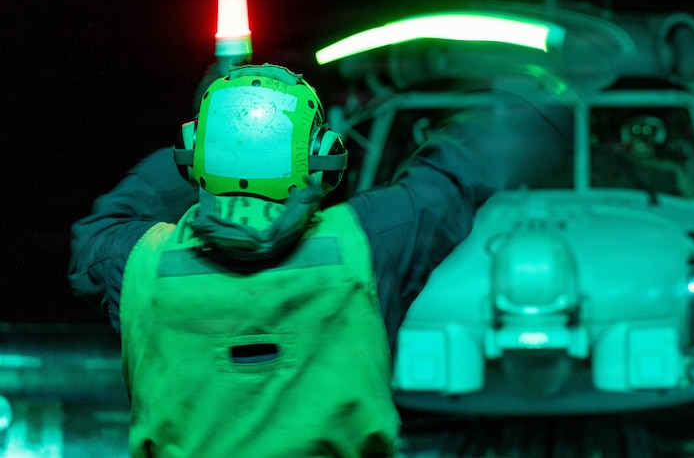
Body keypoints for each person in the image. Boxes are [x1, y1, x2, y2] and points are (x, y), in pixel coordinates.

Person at [69, 63, 568, 458]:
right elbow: (456, 173)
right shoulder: (366, 243)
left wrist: (213, 135)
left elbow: (106, 223)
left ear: (193, 152)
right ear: (323, 157)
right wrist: (541, 90)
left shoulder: (134, 262)